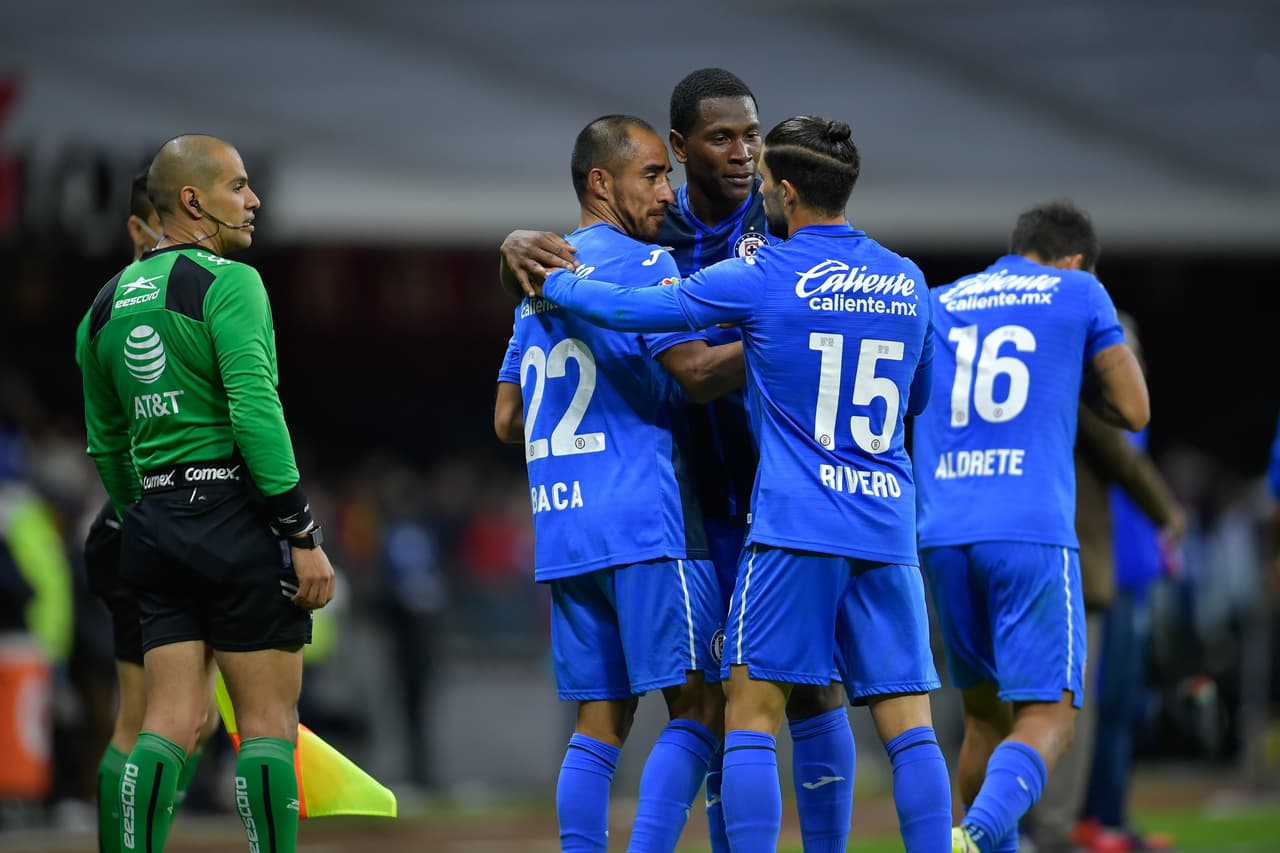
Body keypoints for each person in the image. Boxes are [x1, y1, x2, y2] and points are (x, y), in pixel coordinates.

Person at [523, 115, 952, 853]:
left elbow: (631, 310)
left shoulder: (765, 274)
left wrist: (551, 279)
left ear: (784, 193)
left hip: (793, 526)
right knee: (909, 726)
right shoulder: (907, 279)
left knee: (748, 710)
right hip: (886, 525)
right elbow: (920, 395)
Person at [75, 134, 334, 853]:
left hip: (151, 519)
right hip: (232, 516)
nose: (253, 201)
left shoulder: (100, 307)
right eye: (239, 187)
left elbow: (105, 443)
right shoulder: (228, 282)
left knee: (168, 721)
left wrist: (143, 513)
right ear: (192, 200)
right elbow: (256, 409)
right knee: (266, 726)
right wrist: (300, 532)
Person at [494, 114, 728, 853]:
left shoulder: (537, 281)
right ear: (602, 181)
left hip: (567, 527)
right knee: (701, 707)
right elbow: (691, 372)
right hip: (647, 521)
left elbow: (506, 419)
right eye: (653, 174)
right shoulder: (645, 263)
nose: (668, 190)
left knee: (602, 718)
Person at [909, 201, 1151, 853]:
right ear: (1073, 260)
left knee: (985, 720)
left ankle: (979, 840)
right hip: (1030, 530)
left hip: (943, 532)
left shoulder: (940, 298)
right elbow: (1133, 409)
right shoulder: (1079, 291)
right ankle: (980, 835)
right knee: (1051, 715)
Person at [77, 170, 221, 853]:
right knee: (172, 720)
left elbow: (104, 439)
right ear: (143, 229)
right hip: (181, 522)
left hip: (127, 524)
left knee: (149, 719)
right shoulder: (202, 294)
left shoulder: (103, 312)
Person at [1023, 312, 1185, 853]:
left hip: (1120, 572)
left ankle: (1095, 819)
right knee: (1074, 706)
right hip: (1084, 570)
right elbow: (1126, 468)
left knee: (1108, 708)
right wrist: (1170, 514)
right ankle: (1057, 825)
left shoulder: (1115, 403)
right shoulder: (1088, 396)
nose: (1130, 362)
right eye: (1122, 350)